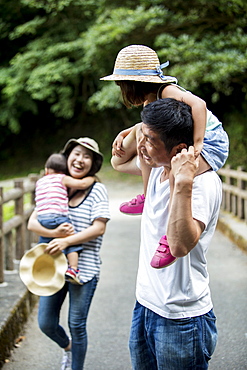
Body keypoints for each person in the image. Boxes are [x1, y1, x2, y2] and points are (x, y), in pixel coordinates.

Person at [111, 98, 221, 369]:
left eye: (149, 140)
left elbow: (180, 245)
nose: (141, 147)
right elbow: (117, 161)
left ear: (180, 149)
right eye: (143, 137)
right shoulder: (158, 167)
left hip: (181, 318)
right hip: (146, 305)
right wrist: (134, 132)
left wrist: (182, 183)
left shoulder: (202, 183)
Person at [101, 44, 228, 268]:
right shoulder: (152, 100)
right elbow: (146, 126)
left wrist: (198, 144)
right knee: (142, 131)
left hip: (211, 143)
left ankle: (171, 238)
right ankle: (146, 194)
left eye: (123, 86)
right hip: (189, 140)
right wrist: (128, 133)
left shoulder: (166, 91)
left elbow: (199, 104)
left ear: (134, 85)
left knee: (176, 170)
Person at [28, 137, 110, 370]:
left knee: (76, 324)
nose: (80, 160)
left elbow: (99, 227)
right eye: (76, 153)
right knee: (46, 323)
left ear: (93, 164)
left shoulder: (97, 189)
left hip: (84, 270)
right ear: (67, 157)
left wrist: (66, 242)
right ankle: (68, 348)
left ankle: (76, 366)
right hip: (54, 267)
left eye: (87, 156)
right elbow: (32, 223)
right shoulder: (56, 185)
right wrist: (54, 232)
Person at [35, 152, 96, 284]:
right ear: (64, 171)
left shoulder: (40, 182)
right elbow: (82, 184)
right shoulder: (61, 178)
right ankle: (73, 269)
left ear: (46, 170)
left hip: (42, 218)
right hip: (58, 217)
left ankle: (42, 265)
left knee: (45, 242)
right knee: (70, 240)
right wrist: (92, 179)